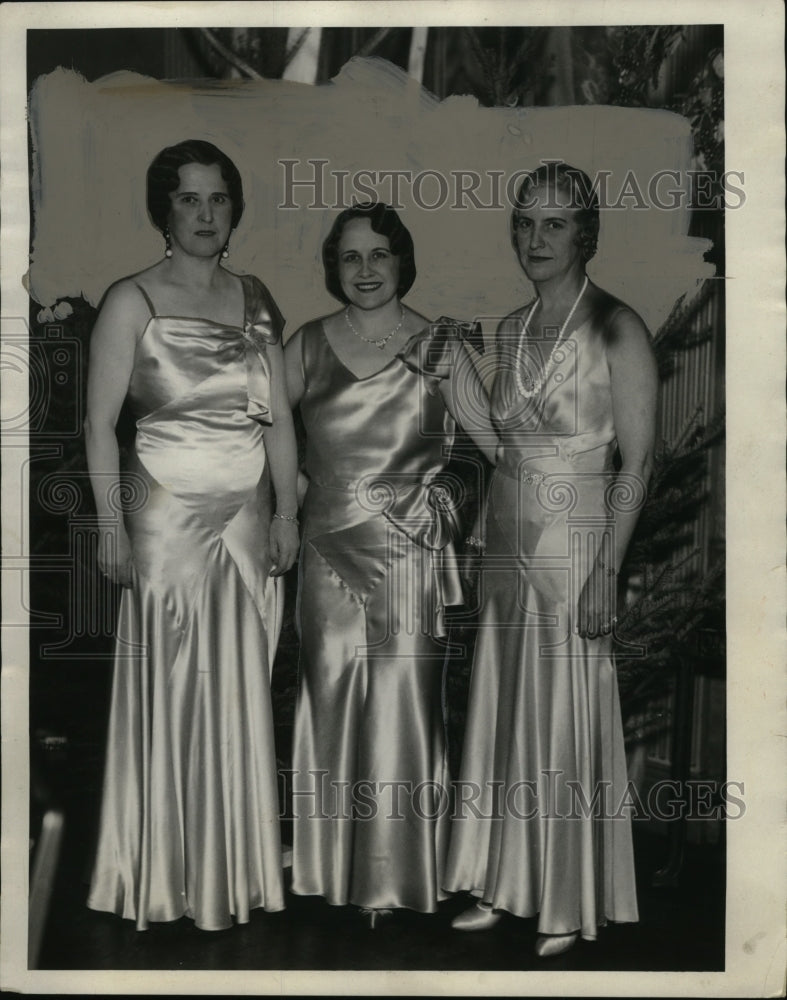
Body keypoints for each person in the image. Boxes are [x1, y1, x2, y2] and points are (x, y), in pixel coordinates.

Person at [84, 140, 299, 931]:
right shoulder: (130, 300)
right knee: (169, 686)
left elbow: (279, 422)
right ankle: (159, 874)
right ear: (164, 211)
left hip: (246, 515)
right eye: (189, 200)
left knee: (242, 684)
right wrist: (110, 527)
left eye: (217, 200)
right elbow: (99, 426)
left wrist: (285, 515)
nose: (205, 215)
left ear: (233, 209)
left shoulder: (255, 296)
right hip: (164, 514)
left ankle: (230, 873)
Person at [444, 162, 658, 957]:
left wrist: (608, 569)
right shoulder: (506, 329)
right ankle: (503, 883)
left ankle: (564, 898)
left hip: (574, 548)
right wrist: (456, 383)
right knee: (502, 715)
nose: (535, 239)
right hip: (505, 540)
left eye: (554, 223)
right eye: (525, 223)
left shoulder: (616, 326)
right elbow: (503, 447)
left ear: (584, 232)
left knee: (562, 718)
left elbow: (639, 460)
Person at [284, 202, 497, 926]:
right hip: (323, 556)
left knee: (405, 711)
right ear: (332, 267)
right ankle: (330, 870)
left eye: (379, 254)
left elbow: (488, 450)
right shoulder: (306, 344)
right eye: (349, 257)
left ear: (402, 260)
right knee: (332, 704)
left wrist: (445, 504)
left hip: (411, 553)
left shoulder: (442, 344)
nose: (365, 270)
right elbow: (267, 443)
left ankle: (399, 877)